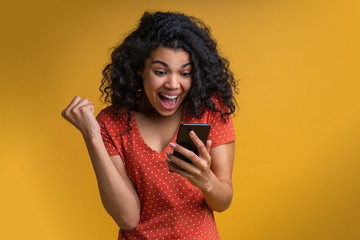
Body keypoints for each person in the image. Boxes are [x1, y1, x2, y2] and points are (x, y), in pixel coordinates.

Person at [62, 11, 237, 240]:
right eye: (161, 72)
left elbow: (222, 201)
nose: (173, 84)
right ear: (139, 69)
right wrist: (92, 135)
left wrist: (207, 181)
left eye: (184, 73)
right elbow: (128, 218)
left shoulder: (210, 111)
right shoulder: (112, 123)